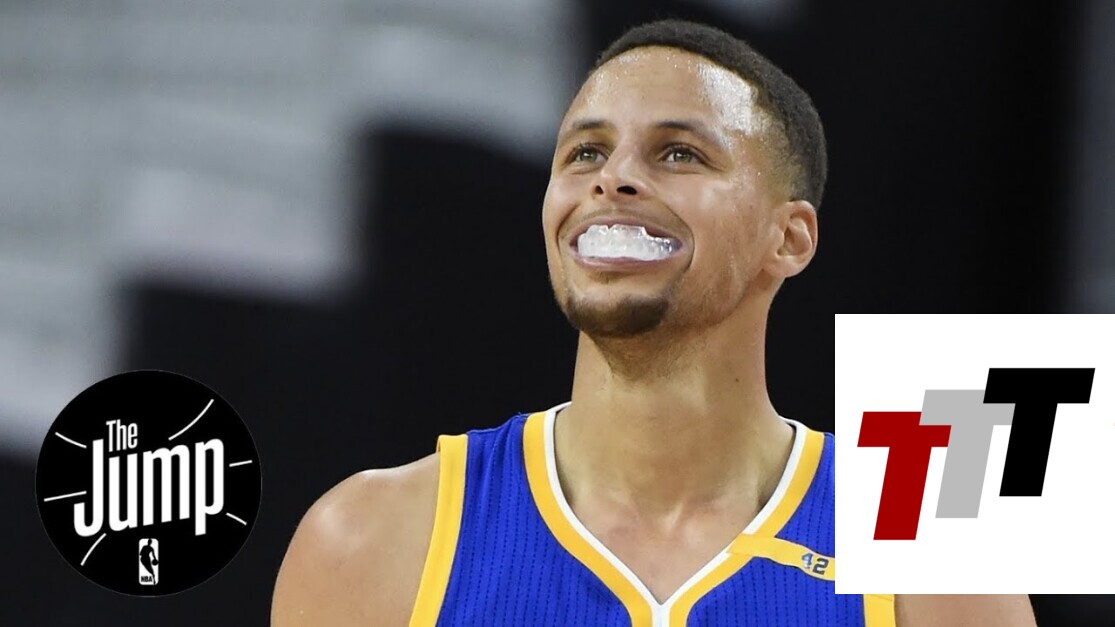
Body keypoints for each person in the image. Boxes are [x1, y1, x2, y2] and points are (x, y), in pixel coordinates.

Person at [271, 19, 1036, 626]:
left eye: (678, 153)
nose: (612, 177)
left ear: (789, 238)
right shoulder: (370, 537)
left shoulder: (930, 556)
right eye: (584, 152)